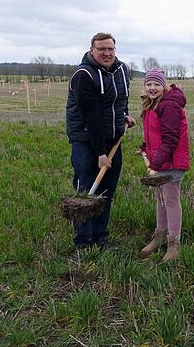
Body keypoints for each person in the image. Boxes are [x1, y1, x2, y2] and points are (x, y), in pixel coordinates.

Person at [66, 32, 135, 249]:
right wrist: (100, 153)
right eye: (101, 49)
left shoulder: (121, 70)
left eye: (110, 49)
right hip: (86, 141)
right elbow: (91, 117)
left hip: (113, 139)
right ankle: (83, 241)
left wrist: (124, 115)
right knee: (87, 190)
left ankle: (100, 236)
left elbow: (120, 99)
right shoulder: (83, 75)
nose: (107, 53)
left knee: (107, 190)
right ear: (91, 50)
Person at [138, 69, 190, 261]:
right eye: (149, 84)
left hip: (171, 161)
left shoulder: (168, 105)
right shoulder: (152, 103)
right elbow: (155, 133)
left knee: (170, 200)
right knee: (160, 199)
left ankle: (174, 243)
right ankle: (159, 236)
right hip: (159, 160)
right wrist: (145, 147)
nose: (152, 88)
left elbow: (170, 139)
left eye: (156, 84)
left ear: (164, 85)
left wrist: (156, 164)